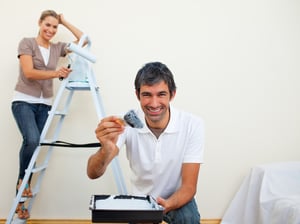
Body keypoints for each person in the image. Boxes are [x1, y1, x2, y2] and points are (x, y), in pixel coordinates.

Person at [87, 61, 205, 224]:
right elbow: (93, 173)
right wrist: (105, 149)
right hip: (141, 200)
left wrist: (165, 205)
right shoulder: (124, 123)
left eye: (161, 94)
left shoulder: (192, 124)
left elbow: (189, 187)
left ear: (172, 94)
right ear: (137, 95)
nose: (154, 103)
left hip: (176, 197)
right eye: (147, 95)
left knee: (188, 219)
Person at [11, 9, 85, 219]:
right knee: (32, 140)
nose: (51, 30)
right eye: (48, 25)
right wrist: (56, 73)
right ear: (40, 23)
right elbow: (29, 72)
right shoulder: (26, 43)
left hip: (45, 105)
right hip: (24, 101)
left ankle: (21, 197)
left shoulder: (57, 48)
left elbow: (83, 40)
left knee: (34, 149)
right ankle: (21, 183)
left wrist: (65, 21)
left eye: (55, 26)